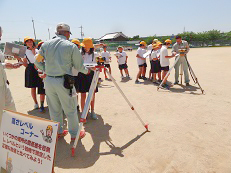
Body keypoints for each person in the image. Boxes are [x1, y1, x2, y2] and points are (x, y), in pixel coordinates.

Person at [34, 23, 90, 141]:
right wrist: (87, 71)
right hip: (64, 81)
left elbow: (37, 61)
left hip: (48, 80)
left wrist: (46, 69)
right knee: (70, 108)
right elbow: (79, 66)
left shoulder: (45, 45)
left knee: (54, 108)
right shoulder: (70, 46)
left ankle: (58, 132)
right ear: (67, 33)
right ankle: (74, 134)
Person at [0, 26, 21, 129]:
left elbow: (2, 61)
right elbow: (2, 64)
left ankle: (13, 133)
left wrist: (10, 65)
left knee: (11, 108)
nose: (0, 38)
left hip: (4, 84)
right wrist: (4, 65)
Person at [19, 37, 45, 111]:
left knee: (41, 86)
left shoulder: (37, 50)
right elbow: (25, 64)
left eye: (31, 42)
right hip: (30, 69)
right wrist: (19, 59)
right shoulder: (24, 52)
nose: (30, 43)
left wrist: (34, 52)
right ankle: (36, 103)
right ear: (25, 43)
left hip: (39, 68)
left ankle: (42, 105)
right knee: (33, 87)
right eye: (28, 42)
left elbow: (40, 60)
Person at [76, 37, 99, 120]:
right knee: (83, 94)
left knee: (92, 94)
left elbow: (97, 65)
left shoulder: (95, 54)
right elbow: (77, 64)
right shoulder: (79, 53)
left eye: (88, 46)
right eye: (85, 46)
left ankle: (92, 111)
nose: (86, 48)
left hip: (92, 75)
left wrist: (94, 67)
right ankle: (83, 113)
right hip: (82, 75)